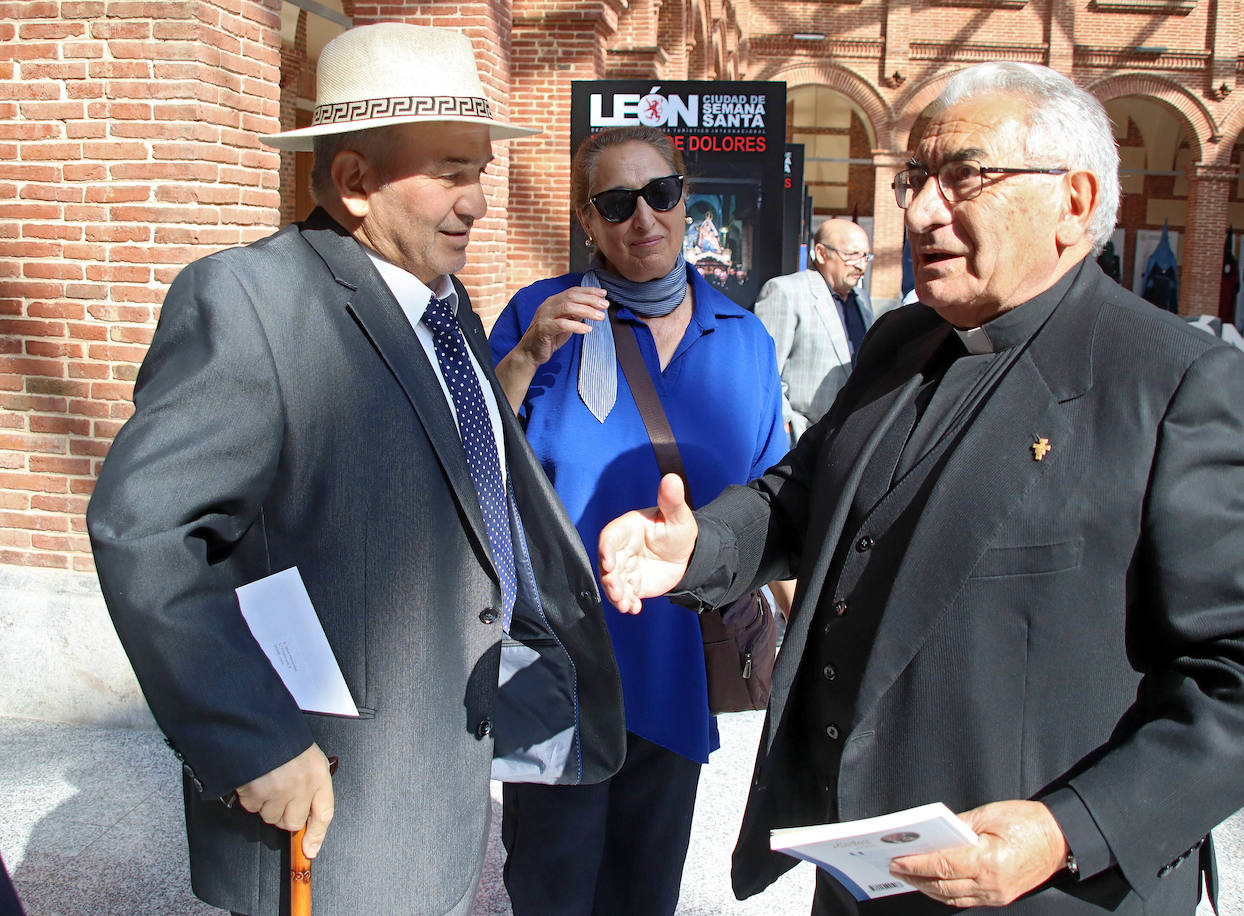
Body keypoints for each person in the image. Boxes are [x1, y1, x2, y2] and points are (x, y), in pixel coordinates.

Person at [600, 61, 1244, 916]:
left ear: (1075, 198)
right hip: (864, 873)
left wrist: (1067, 829)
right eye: (918, 178)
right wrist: (699, 546)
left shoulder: (1174, 385)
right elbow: (801, 498)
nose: (918, 211)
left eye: (965, 177)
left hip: (1040, 888)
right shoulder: (901, 341)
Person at [85, 23, 624, 916]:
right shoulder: (249, 303)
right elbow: (145, 531)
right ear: (354, 184)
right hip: (329, 822)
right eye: (452, 171)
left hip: (440, 808)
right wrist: (251, 738)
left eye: (482, 170)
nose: (479, 202)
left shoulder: (443, 308)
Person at [488, 124, 790, 916]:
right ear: (586, 220)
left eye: (660, 194)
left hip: (677, 664)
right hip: (560, 666)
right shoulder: (538, 314)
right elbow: (468, 460)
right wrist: (525, 355)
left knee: (644, 894)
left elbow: (777, 504)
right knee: (553, 890)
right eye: (616, 203)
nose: (643, 219)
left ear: (687, 200)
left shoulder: (745, 340)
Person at [755, 219, 874, 443]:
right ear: (821, 253)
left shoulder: (863, 301)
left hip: (850, 438)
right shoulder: (786, 292)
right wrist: (788, 427)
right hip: (803, 440)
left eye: (866, 256)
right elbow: (764, 372)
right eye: (851, 254)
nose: (861, 265)